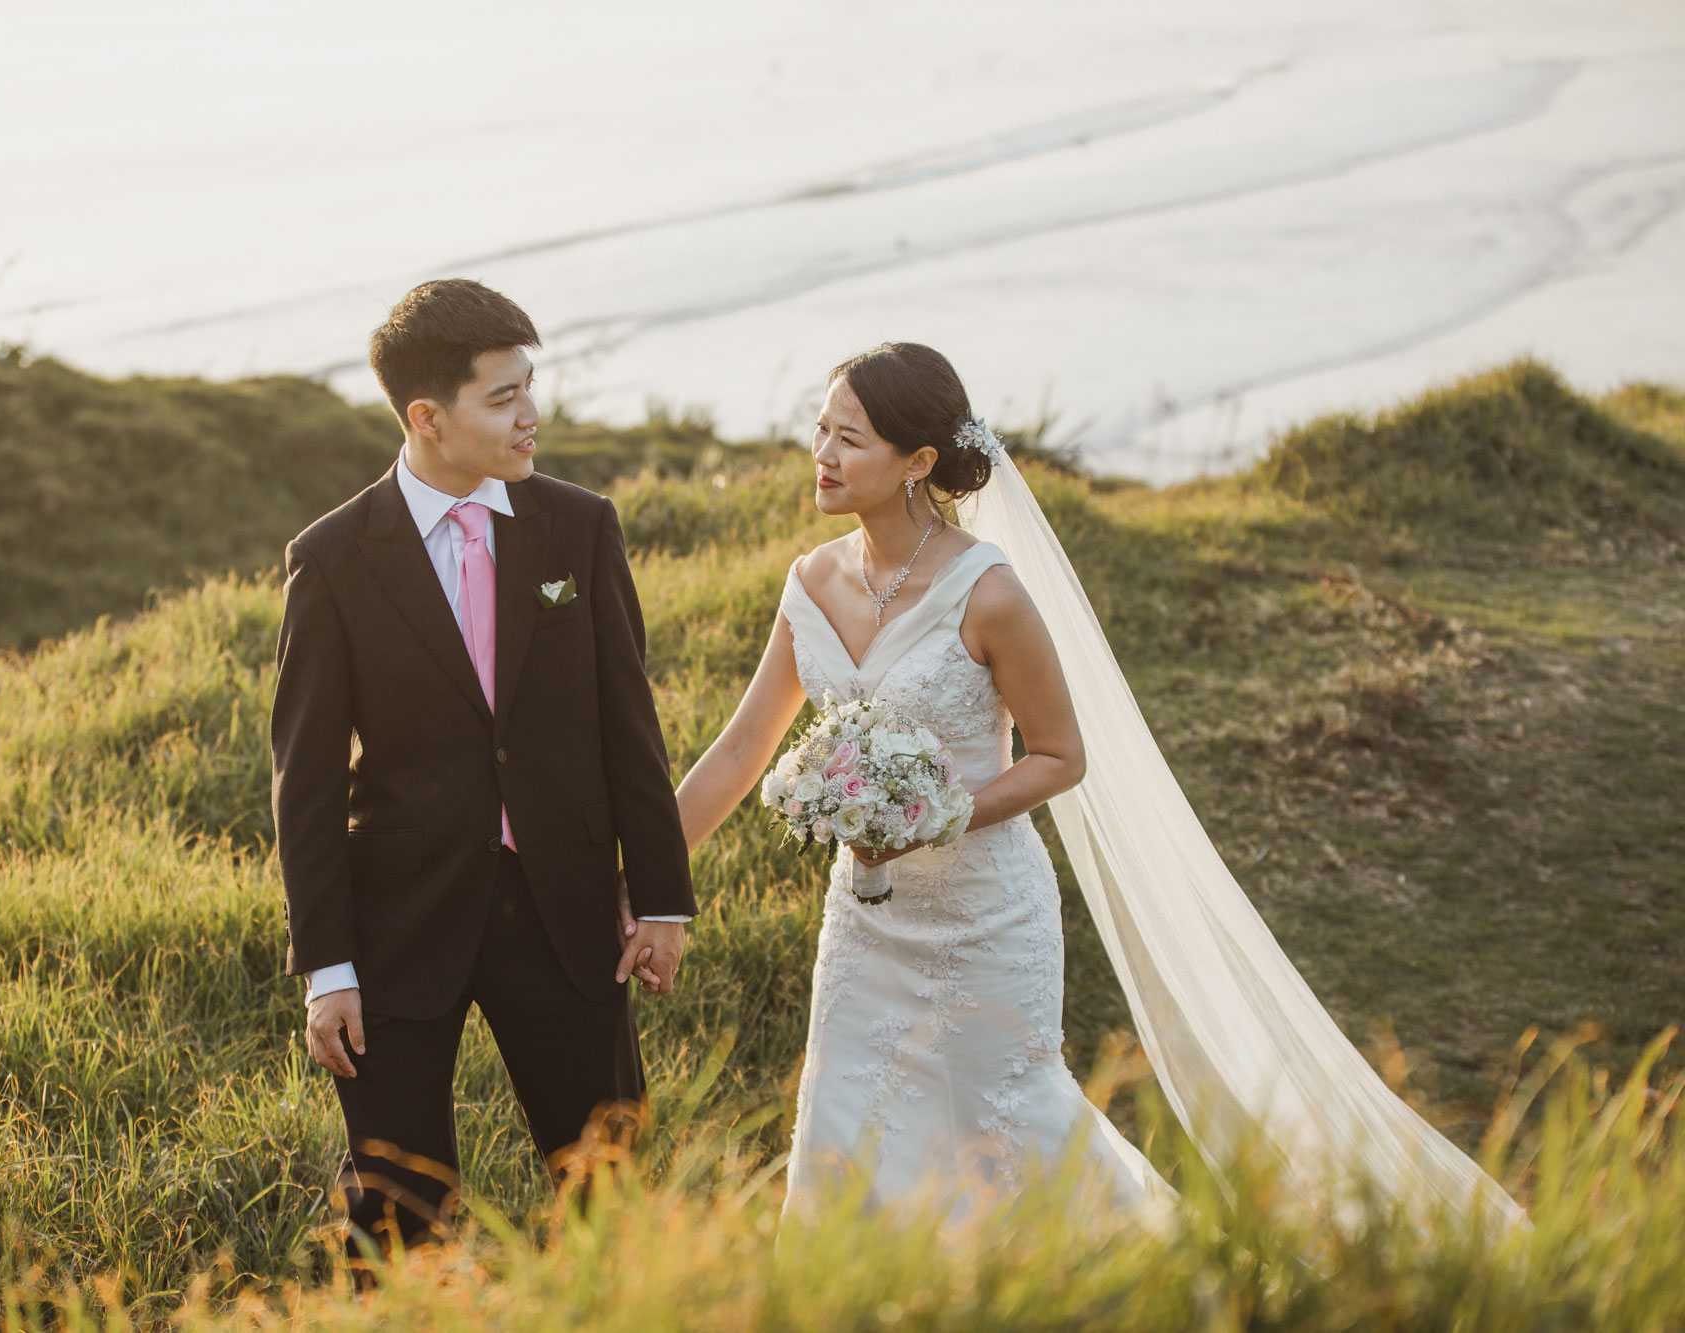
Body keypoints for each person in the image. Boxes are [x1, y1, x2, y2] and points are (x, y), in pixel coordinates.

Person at [675, 342, 1523, 1229]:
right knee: (852, 1128)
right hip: (867, 926)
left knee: (1008, 1133)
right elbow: (740, 754)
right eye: (821, 429)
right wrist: (648, 880)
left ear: (919, 463)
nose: (823, 453)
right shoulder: (809, 583)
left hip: (984, 919)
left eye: (850, 438)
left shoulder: (988, 591)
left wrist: (942, 816)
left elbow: (1059, 755)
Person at [270, 279, 696, 1261]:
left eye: (529, 388)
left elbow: (626, 724)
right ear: (427, 417)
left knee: (605, 1186)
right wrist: (325, 970)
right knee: (396, 1207)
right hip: (399, 923)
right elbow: (304, 778)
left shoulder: (577, 527)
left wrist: (662, 897)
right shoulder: (331, 558)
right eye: (502, 398)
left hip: (563, 905)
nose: (531, 415)